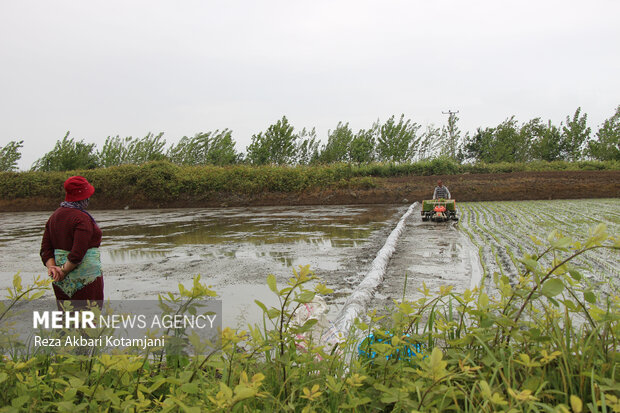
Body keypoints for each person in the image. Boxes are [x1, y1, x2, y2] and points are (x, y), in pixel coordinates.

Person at [40, 176, 103, 304]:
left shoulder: (54, 217)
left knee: (66, 317)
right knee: (89, 316)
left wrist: (53, 269)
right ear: (84, 197)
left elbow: (45, 249)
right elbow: (78, 253)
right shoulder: (82, 218)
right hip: (86, 279)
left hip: (60, 281)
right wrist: (63, 270)